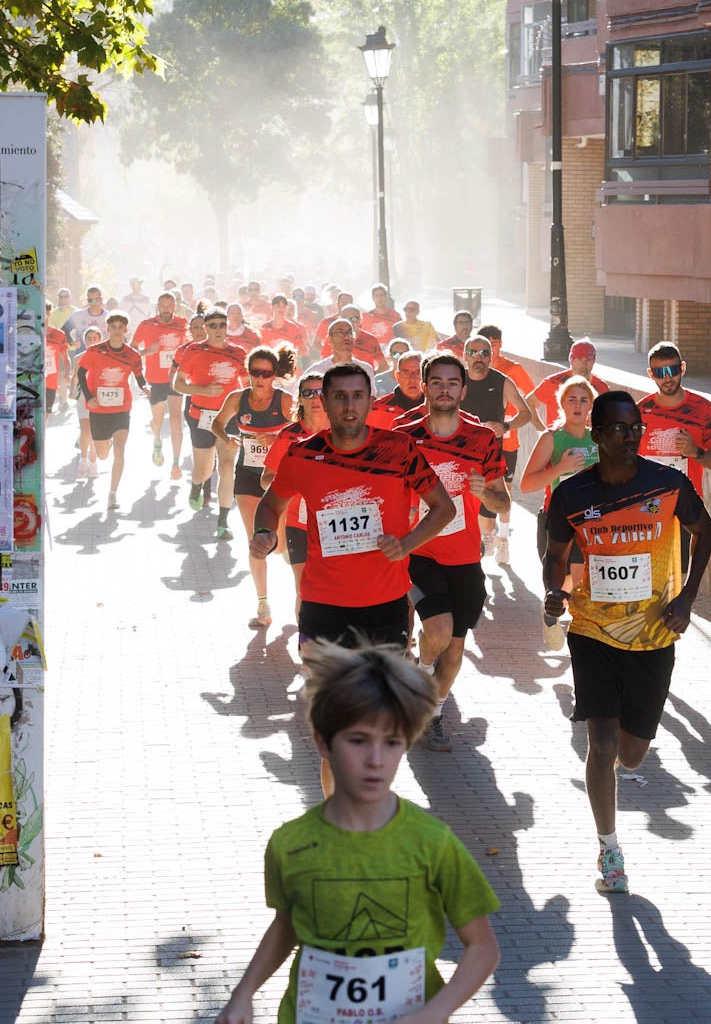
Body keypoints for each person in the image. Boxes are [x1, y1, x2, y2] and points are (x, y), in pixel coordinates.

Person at [213, 642, 500, 1024]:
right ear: (322, 742)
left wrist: (435, 1012)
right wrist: (243, 993)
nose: (376, 760)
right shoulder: (290, 844)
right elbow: (286, 924)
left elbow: (482, 946)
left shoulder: (432, 842)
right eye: (358, 740)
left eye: (392, 743)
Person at [541, 390, 711, 894]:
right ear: (596, 435)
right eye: (616, 428)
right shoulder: (572, 494)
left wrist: (686, 598)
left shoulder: (667, 483)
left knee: (633, 753)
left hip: (655, 631)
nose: (628, 436)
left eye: (634, 427)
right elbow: (556, 555)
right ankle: (609, 847)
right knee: (602, 741)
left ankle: (617, 773)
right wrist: (556, 592)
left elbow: (705, 532)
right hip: (593, 628)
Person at [251, 361, 455, 652]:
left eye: (358, 396)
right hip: (321, 602)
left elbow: (444, 508)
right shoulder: (303, 454)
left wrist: (406, 544)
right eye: (339, 396)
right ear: (323, 401)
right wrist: (264, 532)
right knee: (326, 694)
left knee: (379, 694)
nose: (349, 406)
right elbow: (270, 504)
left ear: (370, 401)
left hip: (385, 603)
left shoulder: (399, 449)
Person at [395, 354, 508, 752]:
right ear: (424, 387)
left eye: (452, 383)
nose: (445, 389)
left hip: (464, 558)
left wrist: (487, 493)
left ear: (464, 389)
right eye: (437, 382)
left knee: (456, 650)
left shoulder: (482, 439)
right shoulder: (403, 434)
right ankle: (422, 671)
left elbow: (505, 503)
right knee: (438, 631)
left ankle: (434, 712)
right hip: (418, 553)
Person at [212, 347, 296, 622]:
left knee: (280, 544)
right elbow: (217, 423)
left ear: (274, 375)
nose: (260, 379)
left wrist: (277, 442)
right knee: (256, 540)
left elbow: (303, 432)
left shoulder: (284, 402)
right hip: (247, 474)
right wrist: (226, 438)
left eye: (266, 373)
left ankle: (288, 559)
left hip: (279, 477)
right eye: (255, 373)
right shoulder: (237, 398)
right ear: (248, 373)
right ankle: (263, 605)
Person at [518, 375, 597, 648]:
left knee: (581, 584)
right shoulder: (551, 439)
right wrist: (559, 469)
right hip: (557, 520)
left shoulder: (599, 440)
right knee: (562, 582)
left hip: (591, 523)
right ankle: (552, 614)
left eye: (583, 400)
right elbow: (527, 484)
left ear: (591, 406)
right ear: (561, 404)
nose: (577, 405)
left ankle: (581, 638)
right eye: (571, 399)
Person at [460, 333, 535, 564]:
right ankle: (471, 553)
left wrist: (505, 426)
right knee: (463, 511)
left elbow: (526, 413)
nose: (479, 358)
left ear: (492, 357)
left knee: (488, 513)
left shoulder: (501, 381)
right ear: (465, 356)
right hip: (460, 455)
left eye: (485, 353)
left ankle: (488, 536)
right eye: (473, 353)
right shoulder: (456, 380)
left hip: (491, 458)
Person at [263, 371, 331, 621]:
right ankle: (306, 643)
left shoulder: (345, 432)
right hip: (298, 522)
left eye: (322, 392)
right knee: (304, 586)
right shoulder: (289, 436)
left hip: (336, 522)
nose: (316, 398)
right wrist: (295, 485)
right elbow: (266, 478)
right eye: (308, 393)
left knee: (335, 587)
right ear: (299, 399)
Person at [171, 308, 249, 513]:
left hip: (228, 418)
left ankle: (223, 521)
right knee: (204, 470)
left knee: (226, 468)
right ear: (205, 328)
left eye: (222, 325)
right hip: (201, 416)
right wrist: (202, 390)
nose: (218, 329)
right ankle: (196, 484)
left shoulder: (238, 353)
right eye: (213, 325)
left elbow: (247, 385)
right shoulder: (194, 351)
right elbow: (177, 385)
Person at [76, 313, 148, 510]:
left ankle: (113, 493)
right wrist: (89, 395)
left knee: (120, 448)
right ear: (108, 329)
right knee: (102, 455)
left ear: (126, 330)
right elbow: (81, 372)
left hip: (121, 408)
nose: (117, 330)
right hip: (99, 408)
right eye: (113, 327)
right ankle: (99, 445)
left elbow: (139, 376)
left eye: (120, 327)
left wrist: (145, 388)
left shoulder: (132, 354)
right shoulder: (95, 350)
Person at [638, 341, 711, 495]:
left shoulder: (704, 409)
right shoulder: (638, 412)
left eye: (672, 370)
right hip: (649, 505)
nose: (667, 378)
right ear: (651, 374)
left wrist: (695, 451)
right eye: (660, 372)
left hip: (688, 506)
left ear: (682, 368)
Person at [130, 290, 191, 480]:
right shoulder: (147, 324)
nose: (166, 309)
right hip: (155, 379)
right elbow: (131, 349)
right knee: (157, 421)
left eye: (169, 305)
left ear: (175, 306)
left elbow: (192, 346)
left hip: (174, 379)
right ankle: (157, 441)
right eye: (162, 305)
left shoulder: (183, 324)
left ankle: (175, 462)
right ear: (158, 306)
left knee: (175, 420)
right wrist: (146, 351)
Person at [527, 339, 609, 428]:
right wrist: (543, 431)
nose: (583, 365)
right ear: (571, 360)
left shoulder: (602, 387)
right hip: (558, 439)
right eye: (579, 359)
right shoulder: (554, 382)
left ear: (593, 362)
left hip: (588, 440)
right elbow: (528, 403)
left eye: (588, 360)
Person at [73, 325, 106, 480]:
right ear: (84, 340)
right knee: (85, 430)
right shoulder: (78, 358)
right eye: (89, 338)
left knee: (93, 433)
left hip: (99, 399)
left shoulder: (104, 356)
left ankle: (94, 463)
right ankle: (84, 459)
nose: (92, 341)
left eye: (95, 338)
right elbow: (75, 376)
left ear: (100, 339)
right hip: (82, 398)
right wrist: (71, 391)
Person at [44, 320, 69, 417]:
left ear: (49, 313)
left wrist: (67, 373)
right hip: (32, 380)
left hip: (50, 381)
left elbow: (66, 357)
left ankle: (43, 431)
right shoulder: (28, 331)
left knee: (46, 413)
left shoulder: (59, 334)